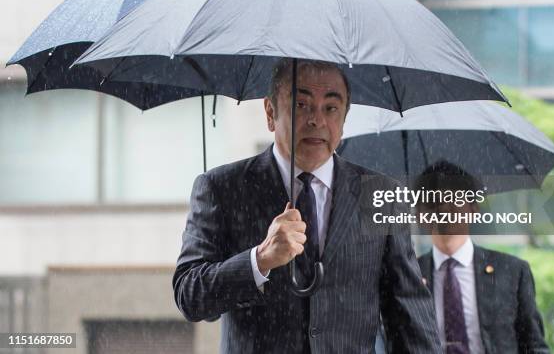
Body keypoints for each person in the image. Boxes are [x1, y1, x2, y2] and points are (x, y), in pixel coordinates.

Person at [172, 59, 442, 353]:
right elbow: (190, 295)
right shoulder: (222, 188)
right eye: (301, 105)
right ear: (270, 112)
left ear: (344, 118)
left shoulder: (378, 194)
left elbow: (407, 312)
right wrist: (259, 259)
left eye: (330, 108)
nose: (316, 120)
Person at [414, 162, 550, 354]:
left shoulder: (511, 272)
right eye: (433, 201)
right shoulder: (409, 276)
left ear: (473, 208)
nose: (444, 207)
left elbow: (534, 345)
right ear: (420, 215)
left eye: (454, 197)